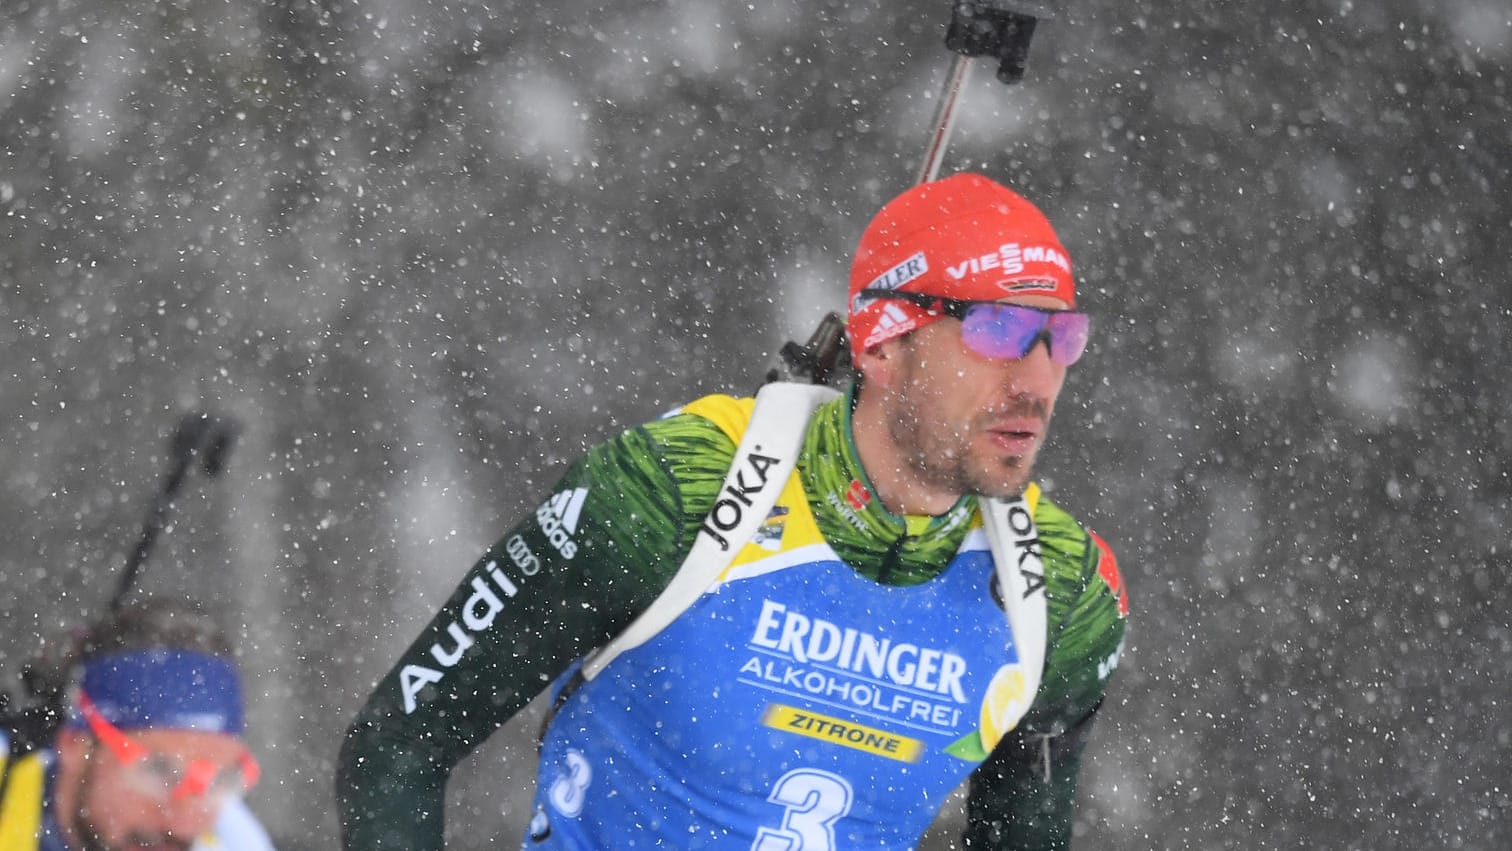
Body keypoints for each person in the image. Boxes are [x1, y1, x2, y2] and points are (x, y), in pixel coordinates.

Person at [337, 172, 1130, 850]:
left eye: (1061, 338)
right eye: (999, 331)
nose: (1037, 378)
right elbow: (399, 745)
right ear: (882, 344)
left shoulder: (1060, 592)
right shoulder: (668, 494)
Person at [0, 598, 275, 851]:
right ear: (74, 743)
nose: (184, 823)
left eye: (219, 780)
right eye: (159, 769)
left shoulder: (235, 842)